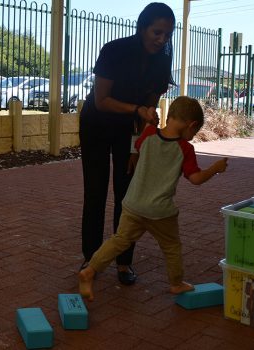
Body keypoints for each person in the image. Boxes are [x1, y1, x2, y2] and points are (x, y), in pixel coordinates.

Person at [78, 96, 228, 301]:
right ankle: (176, 283)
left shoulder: (148, 134)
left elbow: (138, 145)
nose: (192, 136)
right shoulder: (185, 149)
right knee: (172, 247)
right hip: (160, 211)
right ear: (191, 125)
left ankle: (90, 270)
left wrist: (149, 123)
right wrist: (215, 169)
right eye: (195, 131)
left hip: (133, 204)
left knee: (119, 241)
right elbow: (196, 179)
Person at [79, 2, 176, 285]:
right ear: (142, 28)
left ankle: (123, 261)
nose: (161, 40)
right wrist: (137, 110)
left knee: (127, 197)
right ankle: (91, 258)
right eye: (157, 32)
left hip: (128, 130)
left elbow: (149, 106)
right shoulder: (114, 50)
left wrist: (138, 147)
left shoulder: (162, 59)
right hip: (96, 124)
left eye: (167, 35)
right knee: (95, 192)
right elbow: (101, 100)